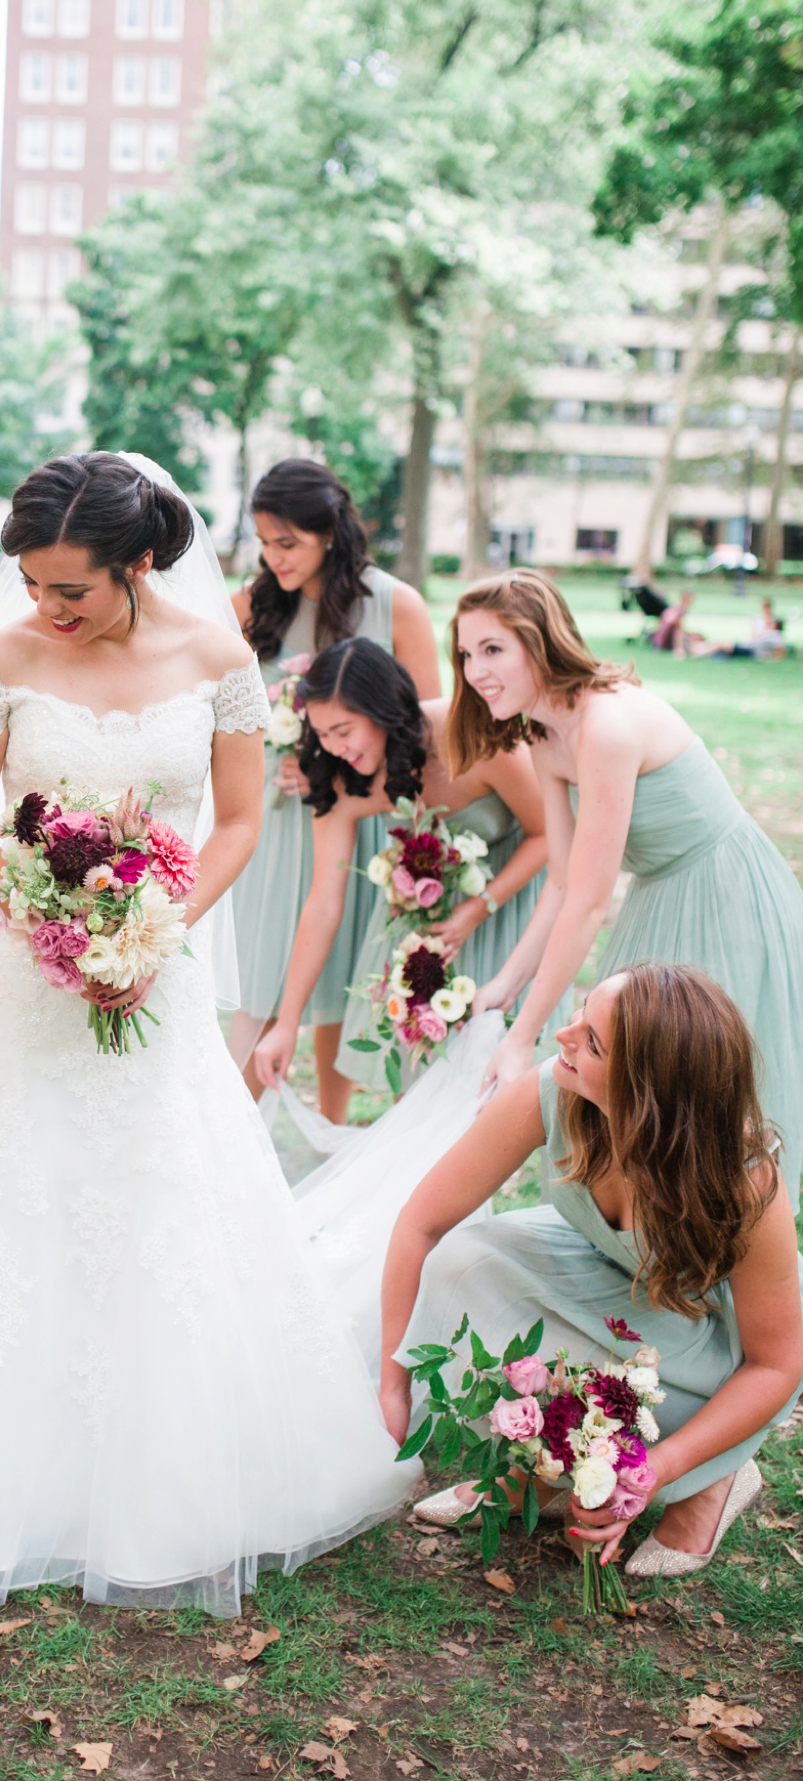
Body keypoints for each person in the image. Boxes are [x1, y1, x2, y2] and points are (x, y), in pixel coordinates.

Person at [0, 453, 419, 1613]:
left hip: (159, 965)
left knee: (159, 1189)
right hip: (25, 979)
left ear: (138, 564)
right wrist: (46, 918)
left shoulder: (216, 658)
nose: (47, 607)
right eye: (31, 583)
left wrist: (151, 931)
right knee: (13, 1190)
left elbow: (236, 821)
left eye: (71, 589)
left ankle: (167, 1468)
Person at [379, 966, 803, 1578]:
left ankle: (716, 1474)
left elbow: (778, 1363)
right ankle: (542, 1469)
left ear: (648, 1089)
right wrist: (395, 1386)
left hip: (711, 1332)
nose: (562, 1037)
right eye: (578, 1016)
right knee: (460, 1265)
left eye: (592, 1041)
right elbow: (421, 1223)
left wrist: (659, 1467)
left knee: (668, 1418)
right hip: (608, 1282)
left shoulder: (741, 1175)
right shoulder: (549, 1092)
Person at [454, 571, 803, 1208]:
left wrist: (519, 1037)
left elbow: (589, 900)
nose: (476, 671)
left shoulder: (604, 725)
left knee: (693, 1081)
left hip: (723, 888)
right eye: (466, 654)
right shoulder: (543, 732)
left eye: (493, 649)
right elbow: (560, 880)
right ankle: (642, 1229)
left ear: (540, 642)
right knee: (629, 1071)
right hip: (660, 888)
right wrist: (504, 987)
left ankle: (727, 1235)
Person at [253, 638, 551, 1119]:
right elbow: (323, 905)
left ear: (383, 710)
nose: (334, 747)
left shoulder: (470, 735)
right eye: (322, 733)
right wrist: (287, 1025)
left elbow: (546, 835)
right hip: (421, 930)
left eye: (344, 730)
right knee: (414, 1093)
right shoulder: (341, 780)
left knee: (489, 1100)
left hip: (503, 909)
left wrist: (477, 910)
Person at [228, 460, 440, 1119]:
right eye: (264, 541)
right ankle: (226, 1137)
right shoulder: (251, 604)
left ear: (329, 532)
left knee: (345, 980)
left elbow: (426, 718)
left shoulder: (395, 602)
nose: (273, 557)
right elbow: (217, 710)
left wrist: (345, 768)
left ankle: (329, 1132)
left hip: (365, 815)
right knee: (266, 980)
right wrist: (276, 752)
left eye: (287, 541)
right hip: (276, 814)